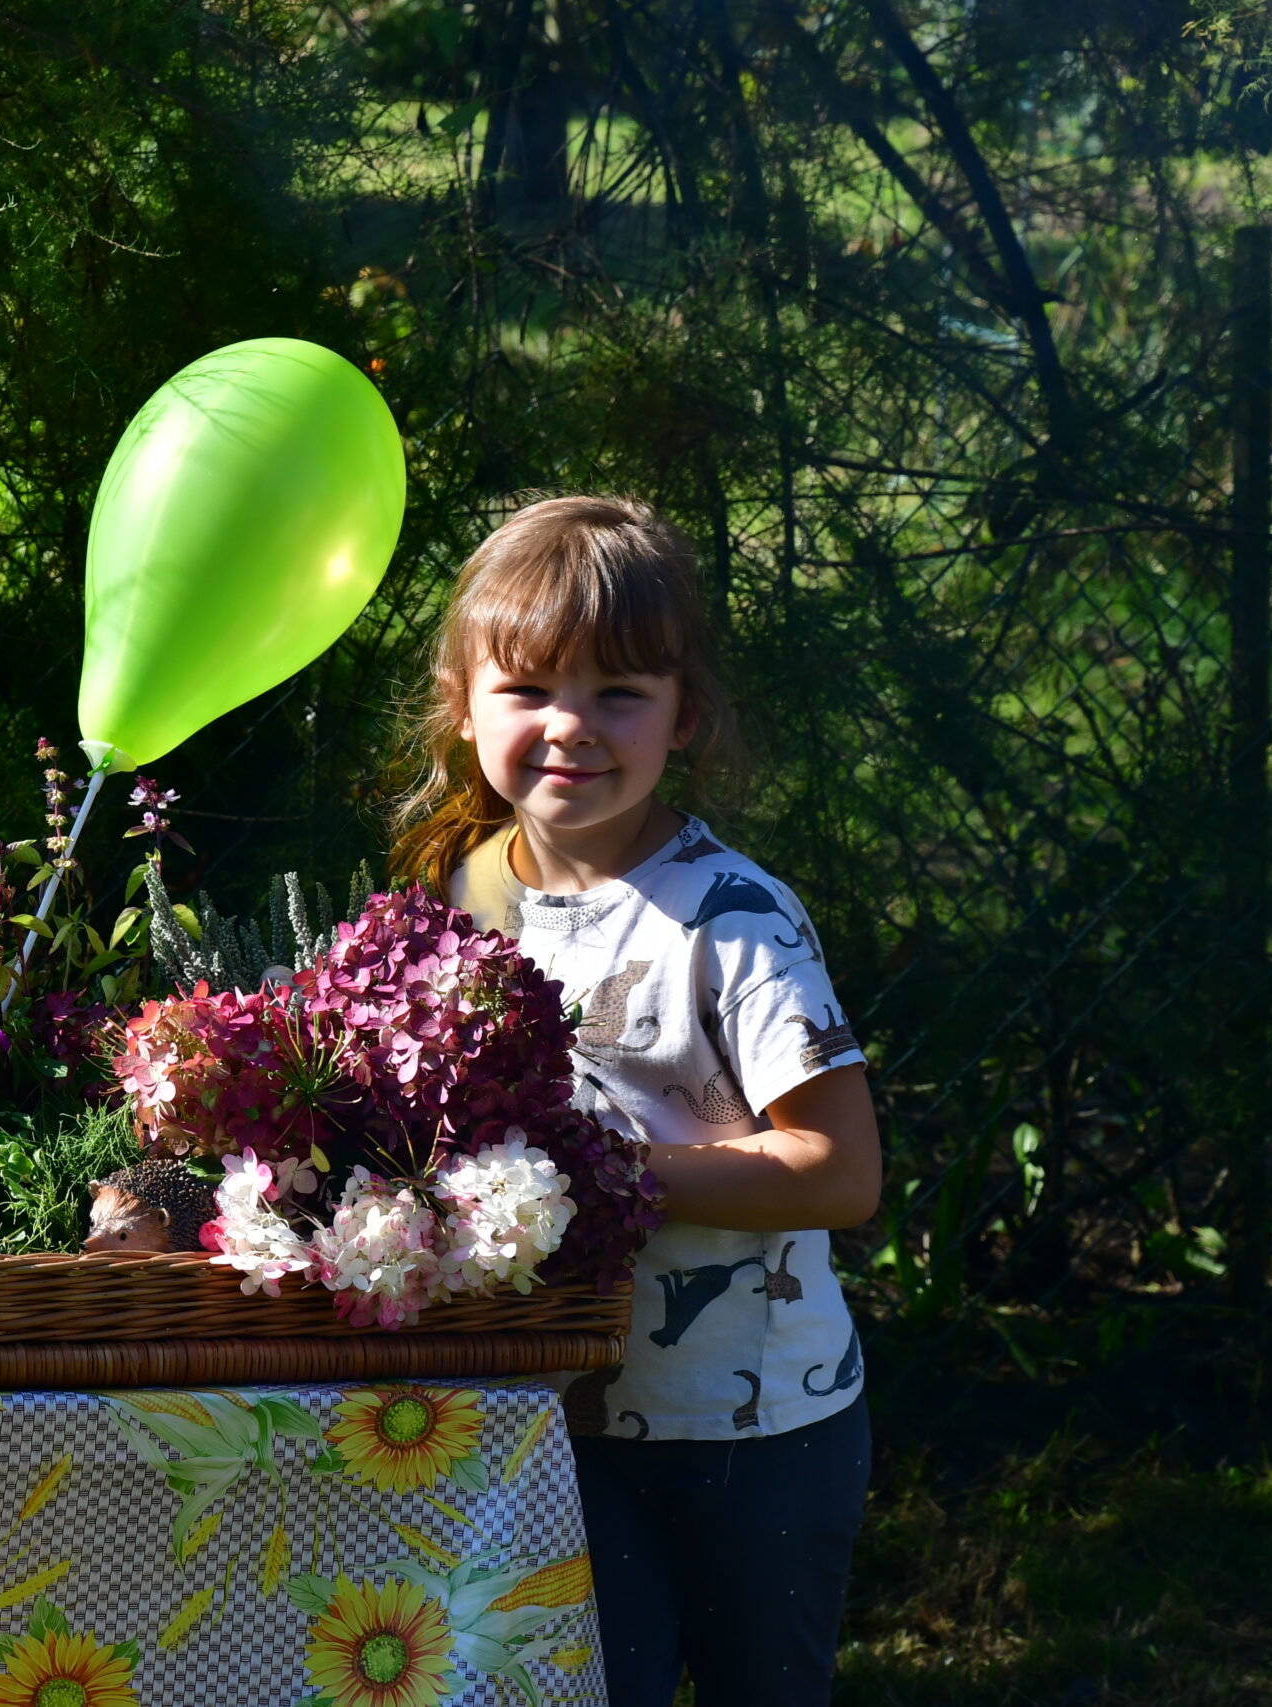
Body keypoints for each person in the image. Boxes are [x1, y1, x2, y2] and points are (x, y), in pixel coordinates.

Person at [393, 494, 882, 1707]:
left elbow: (838, 1172)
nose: (570, 726)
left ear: (684, 715)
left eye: (618, 692)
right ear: (461, 706)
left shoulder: (733, 918)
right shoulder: (458, 897)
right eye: (527, 689)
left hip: (752, 1430)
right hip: (547, 1420)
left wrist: (592, 1176)